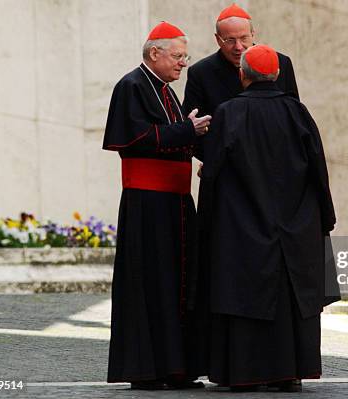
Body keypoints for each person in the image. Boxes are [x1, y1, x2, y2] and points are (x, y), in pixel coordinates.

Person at [198, 44, 340, 392]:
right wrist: (326, 218)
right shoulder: (299, 113)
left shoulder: (230, 113)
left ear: (243, 75)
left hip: (241, 226)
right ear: (276, 74)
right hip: (297, 225)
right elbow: (318, 171)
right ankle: (288, 373)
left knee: (244, 295)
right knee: (291, 298)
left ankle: (244, 373)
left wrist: (206, 223)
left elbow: (213, 171)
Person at [102, 21, 211, 390]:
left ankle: (177, 368)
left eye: (186, 57)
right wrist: (187, 130)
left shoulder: (166, 90)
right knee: (152, 284)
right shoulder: (132, 86)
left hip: (176, 205)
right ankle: (148, 371)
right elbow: (134, 138)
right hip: (147, 205)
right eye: (179, 57)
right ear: (155, 53)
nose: (183, 64)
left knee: (179, 283)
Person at [183, 3, 299, 119]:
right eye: (230, 40)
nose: (238, 47)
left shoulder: (280, 62)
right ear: (218, 39)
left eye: (244, 38)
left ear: (253, 34)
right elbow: (194, 124)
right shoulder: (201, 73)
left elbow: (294, 113)